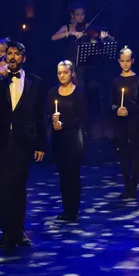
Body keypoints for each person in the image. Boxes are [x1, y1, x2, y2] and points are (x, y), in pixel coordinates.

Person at [0, 39, 46, 250]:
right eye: (10, 53)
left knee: (19, 188)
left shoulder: (34, 82)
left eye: (16, 53)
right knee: (3, 188)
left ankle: (19, 231)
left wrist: (41, 145)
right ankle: (6, 233)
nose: (12, 57)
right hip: (0, 141)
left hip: (23, 142)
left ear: (24, 58)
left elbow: (39, 115)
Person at [47, 60, 87, 222]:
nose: (62, 75)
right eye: (59, 73)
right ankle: (66, 208)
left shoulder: (79, 93)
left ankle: (73, 210)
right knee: (63, 175)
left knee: (73, 174)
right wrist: (52, 119)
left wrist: (64, 124)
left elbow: (82, 117)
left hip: (73, 139)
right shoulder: (52, 93)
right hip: (58, 140)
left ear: (72, 73)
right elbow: (46, 114)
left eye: (65, 72)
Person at [110, 46, 139, 199]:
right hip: (120, 121)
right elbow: (111, 102)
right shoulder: (116, 81)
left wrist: (130, 110)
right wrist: (116, 110)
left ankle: (134, 185)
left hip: (134, 120)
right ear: (119, 62)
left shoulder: (138, 81)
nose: (125, 64)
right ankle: (127, 185)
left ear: (132, 61)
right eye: (122, 61)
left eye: (128, 61)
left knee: (135, 152)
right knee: (123, 152)